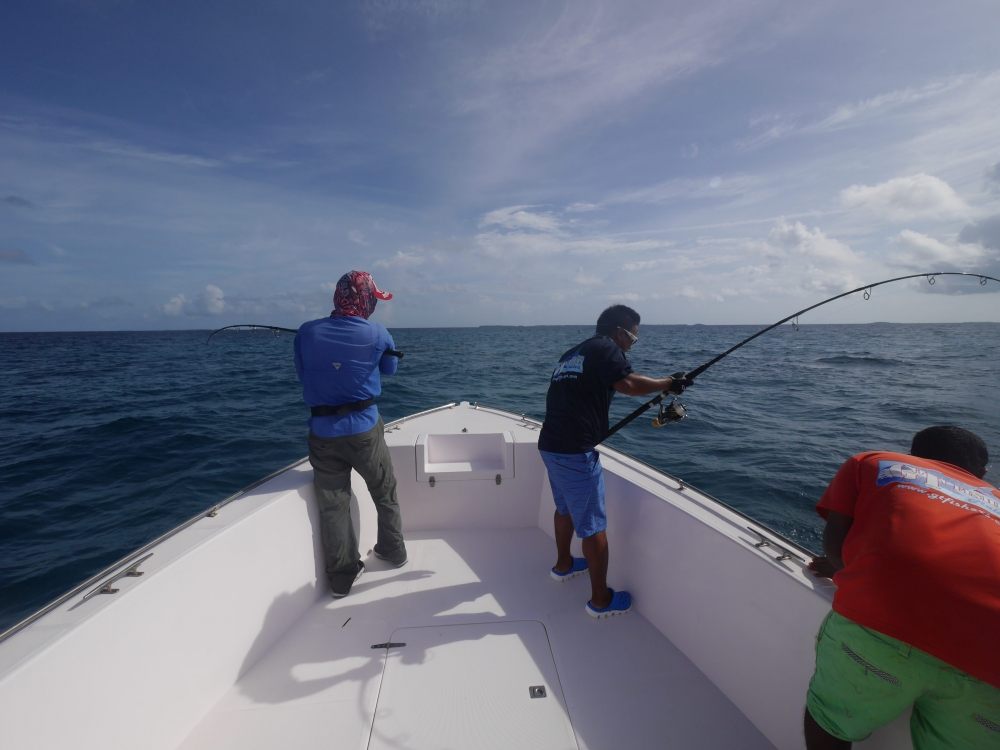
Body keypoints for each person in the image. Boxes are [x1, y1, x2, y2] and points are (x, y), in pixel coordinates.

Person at [805, 425, 1000, 750]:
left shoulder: (873, 461)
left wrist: (843, 568)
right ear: (982, 473)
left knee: (830, 721)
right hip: (991, 659)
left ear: (914, 456)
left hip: (884, 630)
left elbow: (836, 546)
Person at [537, 304, 691, 618]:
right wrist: (668, 383)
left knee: (564, 506)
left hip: (551, 443)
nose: (632, 344)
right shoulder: (607, 348)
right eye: (633, 338)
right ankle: (600, 601)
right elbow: (630, 384)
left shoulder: (573, 353)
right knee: (593, 528)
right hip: (574, 450)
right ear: (620, 331)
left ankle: (564, 565)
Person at [294, 270, 407, 599]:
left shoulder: (306, 332)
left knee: (333, 505)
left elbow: (303, 374)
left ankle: (341, 578)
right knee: (384, 491)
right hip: (364, 429)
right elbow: (390, 370)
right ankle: (392, 551)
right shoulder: (377, 331)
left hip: (322, 432)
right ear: (367, 298)